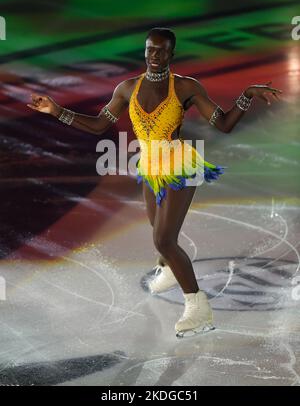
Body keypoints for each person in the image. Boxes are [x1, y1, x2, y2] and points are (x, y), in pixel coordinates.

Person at [27, 27, 282, 338]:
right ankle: (168, 268)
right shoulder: (127, 88)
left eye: (162, 51)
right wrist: (56, 110)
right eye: (151, 50)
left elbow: (224, 124)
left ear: (172, 54)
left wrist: (247, 95)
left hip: (179, 165)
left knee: (163, 239)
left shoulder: (186, 87)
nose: (155, 56)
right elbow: (99, 125)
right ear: (145, 52)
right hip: (149, 166)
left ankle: (198, 307)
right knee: (157, 229)